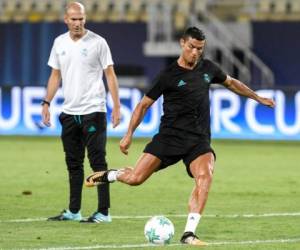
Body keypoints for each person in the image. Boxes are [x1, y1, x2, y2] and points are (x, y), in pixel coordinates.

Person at [85, 27, 275, 244]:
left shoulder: (208, 68)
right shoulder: (168, 75)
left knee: (205, 175)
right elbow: (143, 105)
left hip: (198, 140)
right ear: (183, 44)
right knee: (135, 178)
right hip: (169, 137)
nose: (196, 53)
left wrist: (257, 97)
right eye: (192, 47)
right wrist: (128, 135)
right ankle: (111, 175)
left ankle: (189, 233)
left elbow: (231, 83)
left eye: (200, 49)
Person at [41, 2, 121, 223]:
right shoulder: (59, 43)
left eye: (81, 19)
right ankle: (74, 211)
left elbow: (110, 75)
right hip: (69, 112)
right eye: (74, 19)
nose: (78, 23)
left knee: (98, 162)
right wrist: (46, 102)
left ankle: (103, 212)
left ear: (85, 19)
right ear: (66, 19)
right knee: (73, 163)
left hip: (93, 110)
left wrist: (116, 106)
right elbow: (55, 76)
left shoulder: (98, 43)